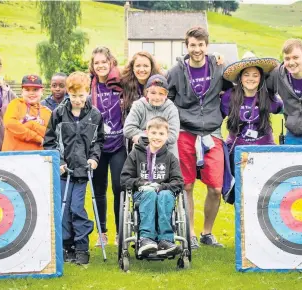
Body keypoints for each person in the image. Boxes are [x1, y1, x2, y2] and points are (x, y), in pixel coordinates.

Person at [167, 26, 233, 249]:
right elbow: (167, 99)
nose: (197, 49)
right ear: (187, 47)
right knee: (186, 186)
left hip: (212, 133)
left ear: (207, 46)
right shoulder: (176, 71)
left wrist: (222, 113)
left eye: (201, 45)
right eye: (192, 45)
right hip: (185, 132)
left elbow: (233, 88)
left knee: (215, 187)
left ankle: (207, 232)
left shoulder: (218, 67)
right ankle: (191, 233)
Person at [44, 71, 105, 265]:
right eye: (73, 95)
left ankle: (81, 247)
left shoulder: (95, 115)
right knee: (63, 208)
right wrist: (59, 161)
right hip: (64, 171)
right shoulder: (58, 114)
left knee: (77, 208)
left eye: (81, 95)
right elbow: (50, 141)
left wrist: (94, 158)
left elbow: (98, 142)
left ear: (88, 92)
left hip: (82, 172)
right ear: (68, 93)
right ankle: (66, 245)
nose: (77, 100)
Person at [221, 52, 283, 203]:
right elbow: (217, 117)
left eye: (255, 75)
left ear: (261, 77)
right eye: (247, 74)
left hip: (264, 151)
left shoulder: (268, 96)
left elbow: (283, 108)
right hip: (236, 153)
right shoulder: (229, 96)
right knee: (241, 197)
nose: (251, 79)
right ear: (240, 77)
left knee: (262, 194)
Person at [120, 116, 184, 256]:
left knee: (166, 194)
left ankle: (166, 240)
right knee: (149, 193)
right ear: (147, 133)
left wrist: (161, 187)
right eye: (154, 133)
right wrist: (141, 183)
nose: (157, 137)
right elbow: (125, 179)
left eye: (161, 134)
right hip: (142, 195)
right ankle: (146, 239)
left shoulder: (170, 158)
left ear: (167, 136)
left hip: (163, 194)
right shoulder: (136, 154)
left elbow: (178, 182)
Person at [89, 46, 126, 246]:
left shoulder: (122, 82)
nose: (101, 66)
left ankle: (121, 232)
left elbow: (150, 71)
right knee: (98, 189)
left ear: (111, 62)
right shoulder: (89, 86)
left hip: (118, 143)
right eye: (97, 63)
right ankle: (101, 232)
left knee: (119, 187)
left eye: (104, 62)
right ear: (93, 66)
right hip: (97, 146)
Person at [124, 74, 180, 158]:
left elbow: (172, 135)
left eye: (161, 94)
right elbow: (128, 129)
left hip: (166, 155)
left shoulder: (171, 109)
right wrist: (159, 135)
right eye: (153, 93)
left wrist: (142, 137)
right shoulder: (138, 105)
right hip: (142, 154)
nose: (157, 97)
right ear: (147, 93)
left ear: (166, 95)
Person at [2, 75, 51, 151]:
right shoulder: (15, 104)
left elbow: (49, 134)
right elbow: (10, 124)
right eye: (27, 90)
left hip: (37, 158)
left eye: (35, 90)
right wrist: (37, 137)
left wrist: (32, 125)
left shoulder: (47, 112)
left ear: (42, 92)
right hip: (12, 157)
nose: (31, 93)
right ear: (22, 92)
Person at [121, 51, 163, 120]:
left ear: (151, 68)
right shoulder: (124, 84)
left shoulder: (160, 85)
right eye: (138, 66)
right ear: (133, 68)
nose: (142, 70)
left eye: (146, 66)